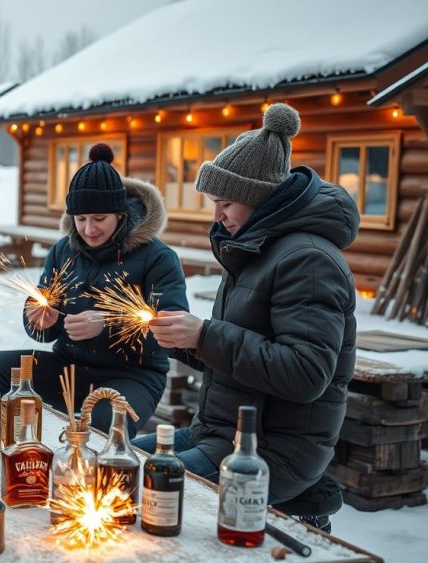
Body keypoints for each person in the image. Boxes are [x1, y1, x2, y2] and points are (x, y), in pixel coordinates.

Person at [144, 103, 358, 504]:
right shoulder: (255, 247)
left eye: (226, 202)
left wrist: (205, 335)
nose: (218, 214)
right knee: (116, 458)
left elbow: (306, 373)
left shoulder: (307, 260)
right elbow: (243, 353)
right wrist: (187, 341)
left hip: (272, 450)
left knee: (140, 486)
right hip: (221, 431)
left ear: (259, 199)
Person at [0, 144, 188, 436]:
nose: (88, 229)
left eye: (99, 219)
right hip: (69, 365)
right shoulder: (62, 251)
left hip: (133, 375)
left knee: (102, 423)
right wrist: (37, 319)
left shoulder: (157, 257)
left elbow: (173, 333)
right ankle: (0, 450)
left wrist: (107, 324)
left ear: (120, 214)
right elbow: (45, 321)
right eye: (80, 219)